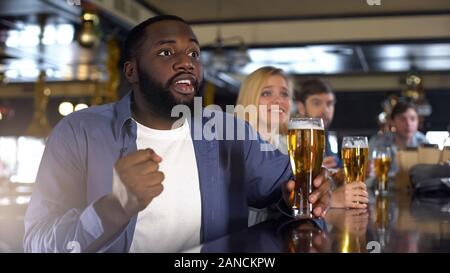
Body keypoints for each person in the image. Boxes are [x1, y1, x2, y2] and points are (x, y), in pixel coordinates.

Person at [23, 15, 331, 253]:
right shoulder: (79, 132)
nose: (186, 62)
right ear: (131, 71)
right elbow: (37, 243)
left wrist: (310, 194)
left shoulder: (228, 130)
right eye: (167, 51)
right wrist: (112, 207)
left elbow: (289, 188)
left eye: (194, 54)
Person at [294, 78, 368, 209]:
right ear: (301, 106)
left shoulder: (326, 136)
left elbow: (336, 174)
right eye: (317, 103)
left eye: (329, 104)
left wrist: (341, 174)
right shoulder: (293, 139)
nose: (325, 110)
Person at [235, 66, 292, 226]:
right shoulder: (235, 144)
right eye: (267, 93)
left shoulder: (290, 145)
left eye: (284, 94)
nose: (278, 101)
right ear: (250, 99)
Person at [369, 100, 428, 174]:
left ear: (418, 121)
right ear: (392, 121)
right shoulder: (378, 142)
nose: (408, 124)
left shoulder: (424, 143)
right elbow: (370, 175)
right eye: (403, 119)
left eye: (413, 119)